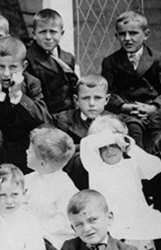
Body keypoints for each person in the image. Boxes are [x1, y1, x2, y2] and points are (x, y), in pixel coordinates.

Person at [79, 115, 161, 248]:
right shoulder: (95, 167)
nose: (110, 150)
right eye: (103, 147)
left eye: (114, 145)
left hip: (138, 221)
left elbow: (155, 167)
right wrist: (113, 138)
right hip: (113, 226)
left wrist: (129, 146)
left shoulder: (132, 164)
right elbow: (86, 144)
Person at [0, 36, 51, 172]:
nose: (6, 74)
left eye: (13, 67)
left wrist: (19, 95)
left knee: (45, 129)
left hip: (25, 148)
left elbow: (44, 119)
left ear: (24, 66)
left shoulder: (32, 83)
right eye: (1, 67)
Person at [102, 11, 161, 153]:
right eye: (122, 34)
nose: (127, 38)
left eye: (133, 33)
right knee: (133, 130)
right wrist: (125, 106)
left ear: (146, 34)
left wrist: (153, 107)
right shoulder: (110, 62)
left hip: (155, 109)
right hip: (127, 111)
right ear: (117, 36)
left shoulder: (158, 59)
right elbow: (108, 93)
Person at [24, 127, 78, 249]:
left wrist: (34, 233)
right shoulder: (28, 179)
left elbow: (62, 223)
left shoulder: (65, 188)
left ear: (42, 163)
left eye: (30, 151)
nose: (26, 151)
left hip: (49, 240)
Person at [55, 74, 143, 145]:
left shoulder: (115, 120)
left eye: (97, 98)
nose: (92, 104)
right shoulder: (66, 120)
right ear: (76, 100)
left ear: (107, 99)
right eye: (85, 98)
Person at [26, 9, 79, 116]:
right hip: (44, 115)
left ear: (61, 33)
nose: (48, 37)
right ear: (34, 34)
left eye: (53, 32)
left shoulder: (68, 58)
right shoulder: (28, 59)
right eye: (42, 32)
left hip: (69, 114)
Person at [0, 164, 44, 250]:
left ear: (23, 193)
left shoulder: (29, 221)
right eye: (2, 195)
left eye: (15, 194)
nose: (9, 201)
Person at [61, 189, 138, 250]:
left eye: (93, 220)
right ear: (73, 229)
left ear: (109, 218)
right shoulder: (69, 247)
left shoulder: (128, 249)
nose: (86, 229)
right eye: (78, 225)